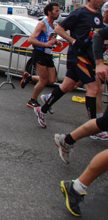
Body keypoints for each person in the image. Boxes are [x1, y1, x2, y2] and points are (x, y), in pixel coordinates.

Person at [53, 25, 108, 216]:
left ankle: (67, 140)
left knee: (103, 123)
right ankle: (76, 187)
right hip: (80, 61)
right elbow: (100, 35)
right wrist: (100, 63)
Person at [33, 0, 106, 131]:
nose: (103, 1)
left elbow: (97, 35)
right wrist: (73, 41)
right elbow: (59, 29)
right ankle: (93, 128)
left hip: (89, 57)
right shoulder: (79, 13)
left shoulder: (98, 14)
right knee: (94, 88)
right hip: (79, 56)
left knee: (66, 86)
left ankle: (42, 109)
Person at [20, 2, 62, 108]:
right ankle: (32, 100)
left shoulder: (55, 25)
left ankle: (29, 77)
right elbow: (31, 39)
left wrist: (56, 42)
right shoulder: (42, 24)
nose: (58, 13)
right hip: (40, 53)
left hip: (48, 54)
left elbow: (50, 38)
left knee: (51, 80)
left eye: (59, 10)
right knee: (43, 80)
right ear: (49, 12)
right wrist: (45, 44)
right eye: (56, 11)